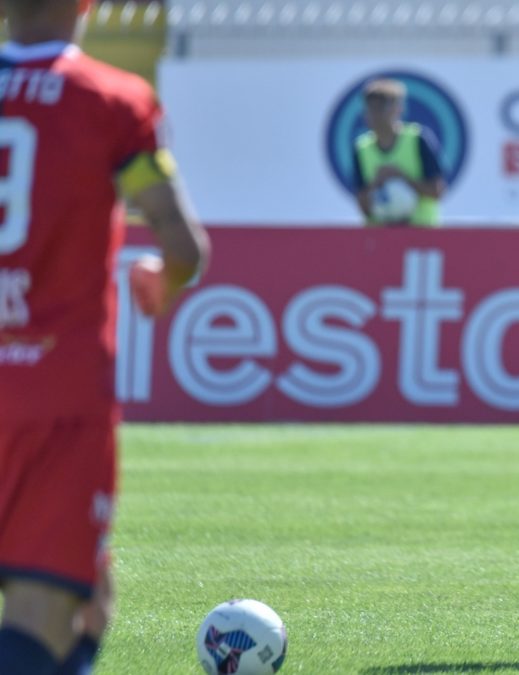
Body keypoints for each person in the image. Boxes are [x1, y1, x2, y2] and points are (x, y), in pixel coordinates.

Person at [0, 1, 210, 673]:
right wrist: (165, 280)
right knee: (47, 611)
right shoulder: (113, 102)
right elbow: (183, 245)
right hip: (53, 395)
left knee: (94, 601)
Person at [354, 78, 445, 227]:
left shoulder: (418, 139)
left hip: (421, 233)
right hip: (380, 235)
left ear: (397, 109)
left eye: (381, 107)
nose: (375, 114)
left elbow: (437, 191)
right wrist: (377, 183)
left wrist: (401, 177)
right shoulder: (361, 148)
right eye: (370, 108)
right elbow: (363, 206)